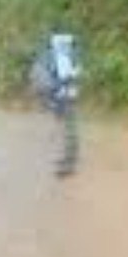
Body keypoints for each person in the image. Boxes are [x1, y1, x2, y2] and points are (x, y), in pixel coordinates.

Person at [29, 30, 83, 178]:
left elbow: (73, 75)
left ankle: (68, 163)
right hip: (59, 96)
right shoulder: (56, 55)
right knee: (65, 128)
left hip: (64, 96)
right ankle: (66, 160)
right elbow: (43, 78)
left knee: (68, 129)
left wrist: (65, 81)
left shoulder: (65, 55)